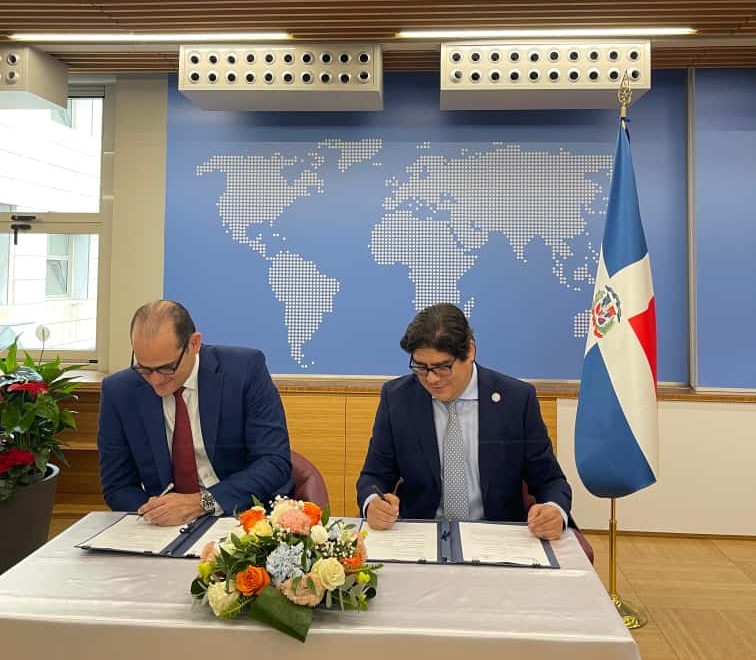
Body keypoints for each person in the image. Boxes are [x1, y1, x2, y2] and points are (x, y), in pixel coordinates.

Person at [356, 303, 572, 541]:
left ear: (470, 351)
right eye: (420, 367)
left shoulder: (516, 400)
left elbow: (550, 480)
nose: (431, 378)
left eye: (442, 367)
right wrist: (372, 503)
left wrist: (554, 510)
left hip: (497, 537)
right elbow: (373, 477)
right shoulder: (397, 399)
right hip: (420, 535)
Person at [97, 300, 294, 526]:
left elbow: (274, 462)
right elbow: (118, 486)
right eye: (144, 368)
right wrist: (154, 513)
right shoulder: (119, 391)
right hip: (168, 525)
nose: (156, 380)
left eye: (166, 368)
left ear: (194, 344)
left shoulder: (244, 370)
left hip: (244, 514)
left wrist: (202, 503)